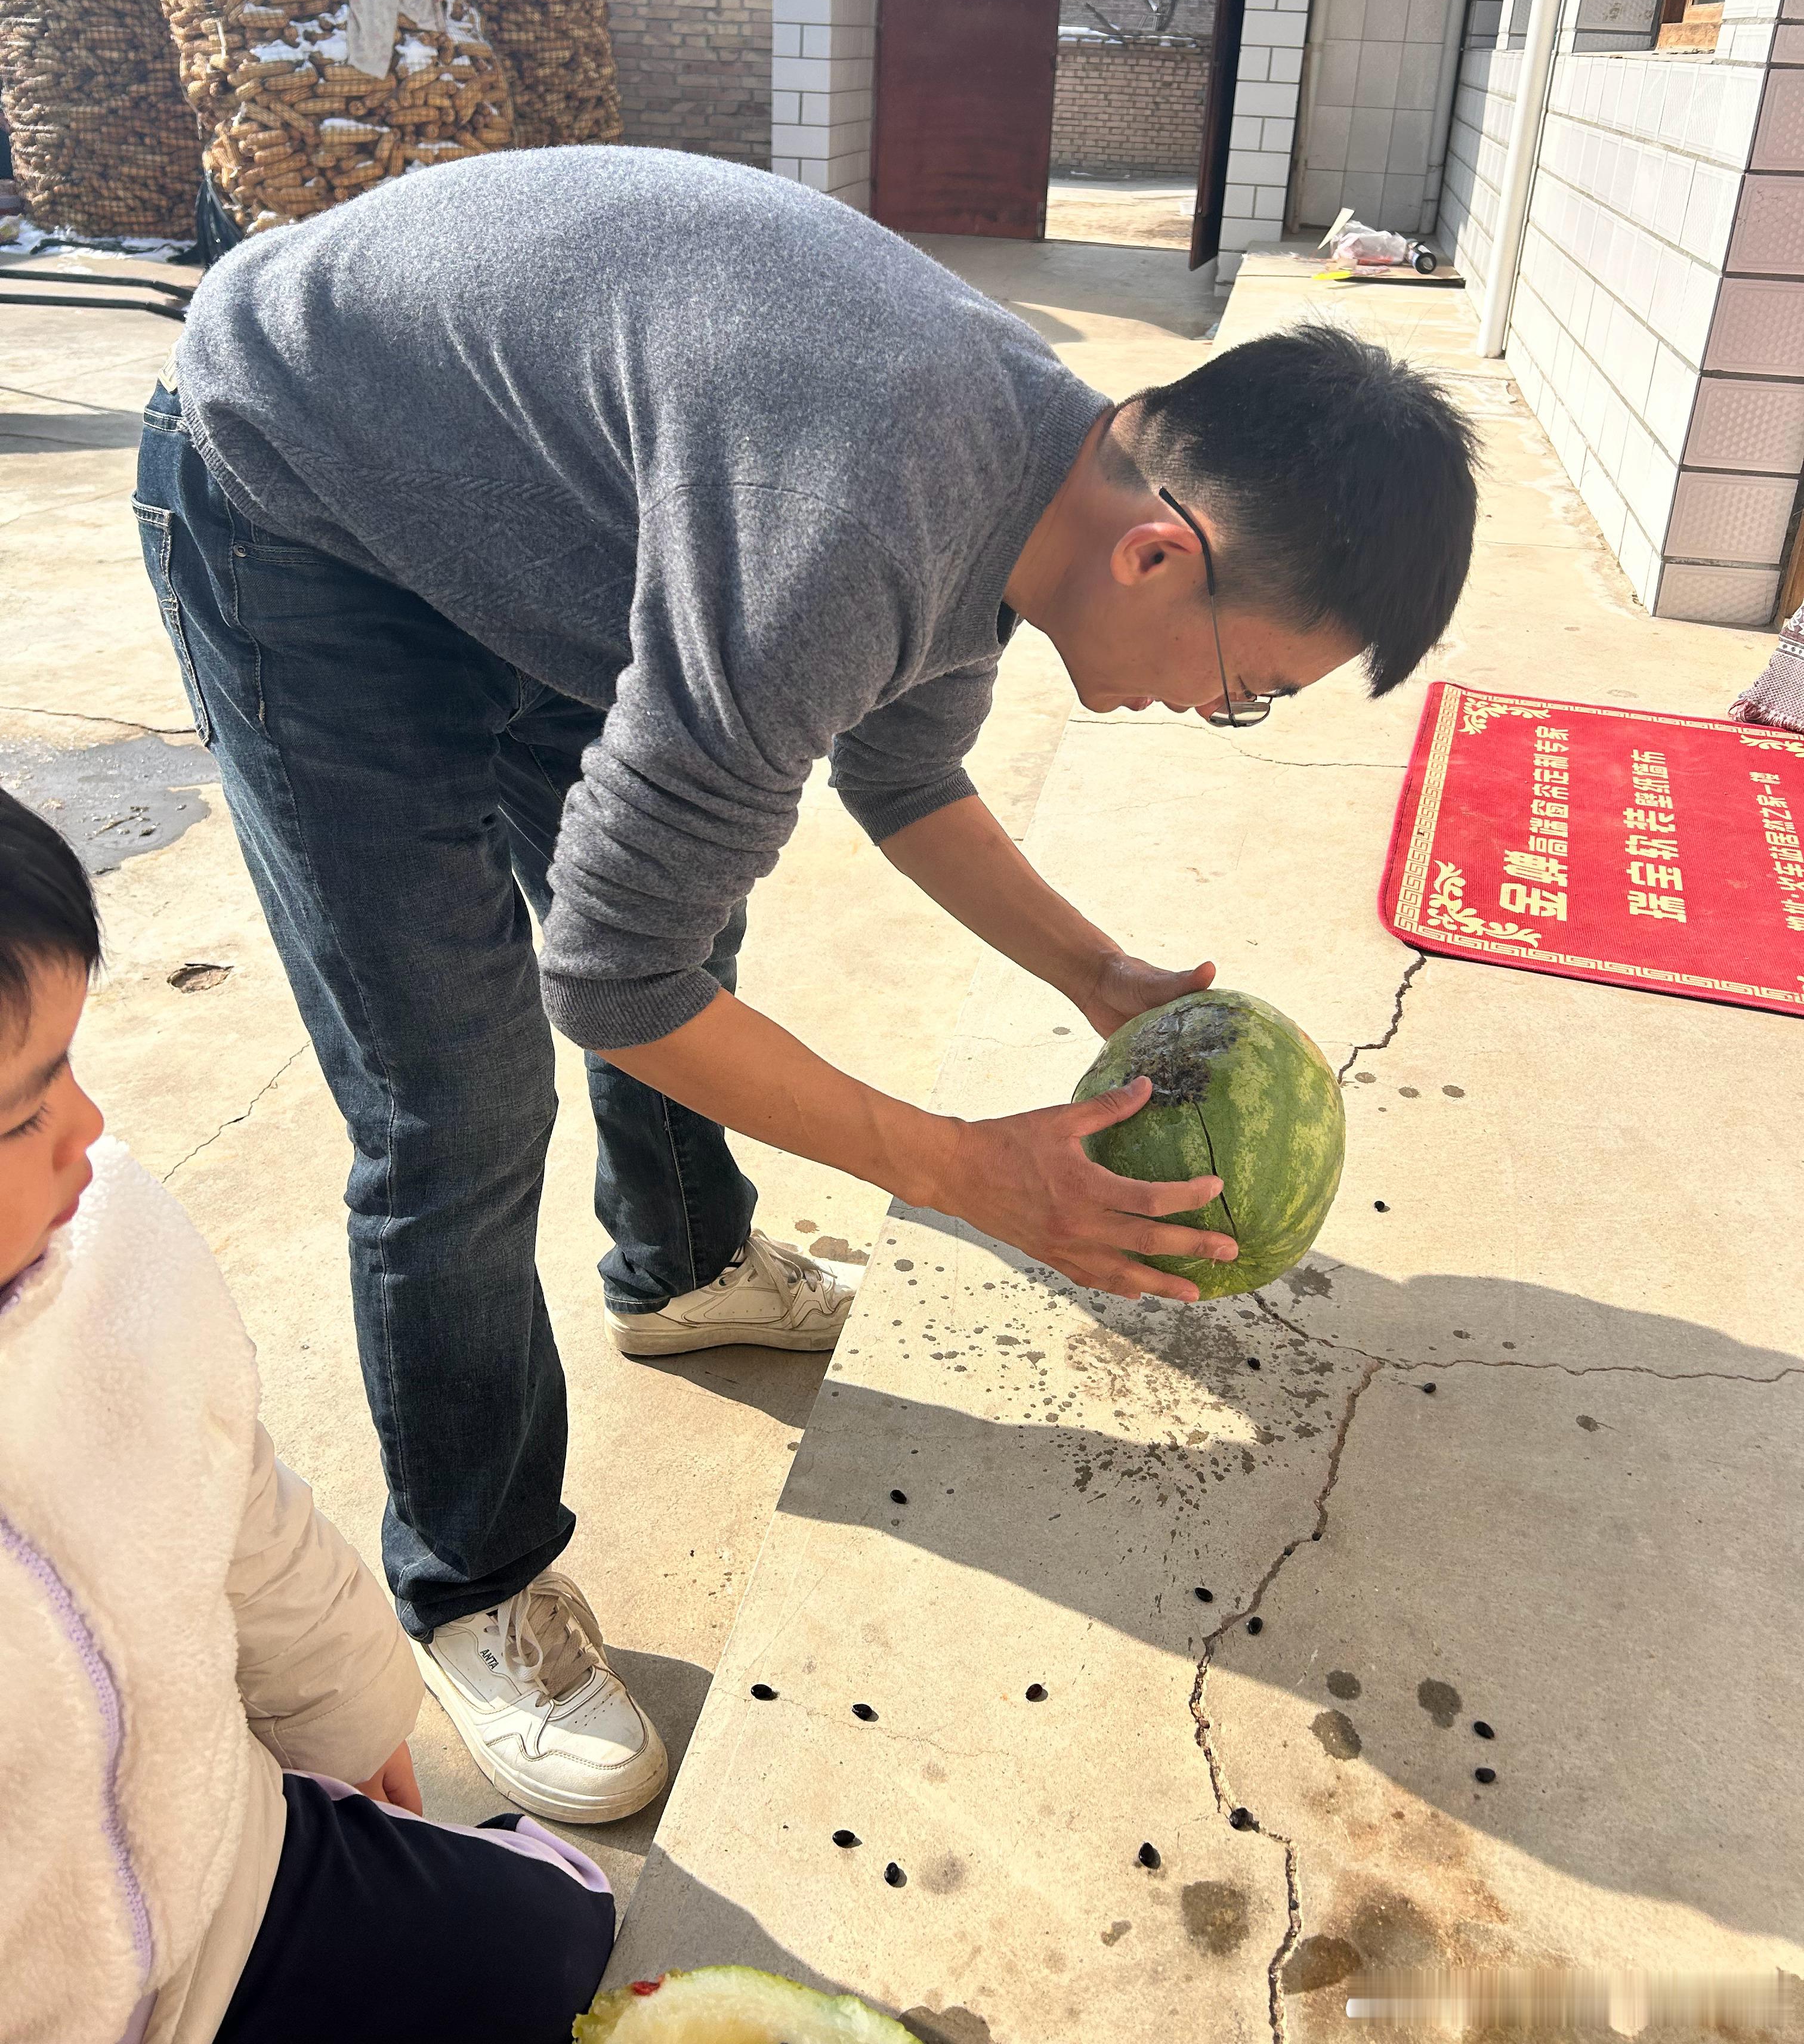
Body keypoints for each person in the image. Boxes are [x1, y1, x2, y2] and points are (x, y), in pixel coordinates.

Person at [138, 147, 1479, 1824]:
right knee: (456, 1096)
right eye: (1248, 690)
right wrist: (958, 1168)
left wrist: (1100, 972)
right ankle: (474, 1582)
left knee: (695, 903)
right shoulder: (861, 516)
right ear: (1155, 556)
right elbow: (609, 974)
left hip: (515, 513)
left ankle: (683, 1266)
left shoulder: (1029, 487)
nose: (1222, 715)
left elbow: (902, 780)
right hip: (299, 498)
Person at [0, 788, 619, 2044]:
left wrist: (348, 1711)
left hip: (221, 1881)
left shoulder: (118, 1251)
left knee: (550, 1941)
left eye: (68, 1071)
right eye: (20, 1113)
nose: (89, 1127)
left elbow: (244, 1511)